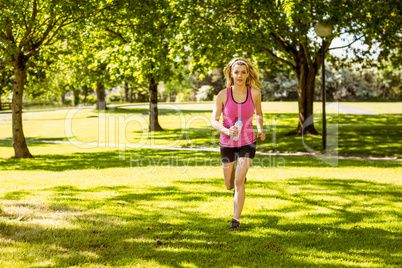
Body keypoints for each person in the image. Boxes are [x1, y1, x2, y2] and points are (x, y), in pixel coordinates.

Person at [211, 58, 266, 229]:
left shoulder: (255, 93)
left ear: (248, 73)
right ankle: (236, 180)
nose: (240, 75)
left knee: (238, 181)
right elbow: (213, 121)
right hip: (227, 143)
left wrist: (260, 128)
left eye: (243, 72)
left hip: (248, 142)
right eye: (237, 72)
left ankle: (236, 219)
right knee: (229, 184)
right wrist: (227, 131)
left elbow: (259, 113)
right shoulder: (223, 94)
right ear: (231, 74)